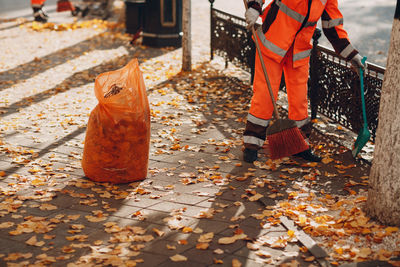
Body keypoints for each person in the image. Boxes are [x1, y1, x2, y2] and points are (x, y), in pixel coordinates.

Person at [243, 0, 366, 163]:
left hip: (298, 52)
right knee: (265, 96)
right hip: (272, 43)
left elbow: (332, 25)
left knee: (299, 101)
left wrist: (351, 55)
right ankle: (251, 145)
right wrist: (253, 6)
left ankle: (299, 146)